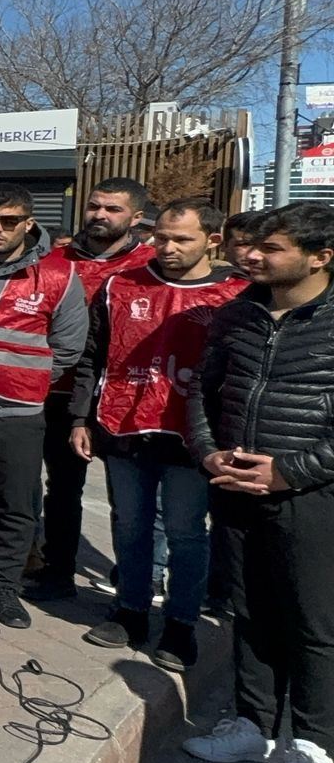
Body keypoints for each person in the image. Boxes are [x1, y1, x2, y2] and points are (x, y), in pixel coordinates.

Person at [180, 202, 334, 763]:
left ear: (320, 256)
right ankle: (253, 725)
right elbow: (203, 388)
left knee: (314, 624)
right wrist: (208, 452)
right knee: (251, 610)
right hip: (238, 486)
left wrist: (290, 472)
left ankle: (316, 748)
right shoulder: (238, 313)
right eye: (254, 247)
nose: (252, 256)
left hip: (312, 495)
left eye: (272, 249)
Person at [69, 201, 244, 672]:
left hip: (195, 437)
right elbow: (93, 356)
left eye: (181, 239)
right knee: (130, 525)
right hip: (123, 427)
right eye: (162, 236)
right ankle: (130, 611)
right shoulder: (120, 285)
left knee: (187, 533)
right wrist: (79, 418)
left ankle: (182, 624)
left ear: (212, 239)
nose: (166, 247)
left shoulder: (238, 295)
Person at [0, 183, 87, 628]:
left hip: (18, 411)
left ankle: (6, 590)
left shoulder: (58, 274)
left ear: (28, 223)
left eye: (8, 221)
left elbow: (68, 347)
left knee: (14, 507)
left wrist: (27, 380)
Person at [33, 178, 157, 600]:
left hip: (126, 397)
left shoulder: (150, 264)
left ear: (136, 218)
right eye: (94, 206)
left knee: (131, 502)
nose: (100, 215)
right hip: (60, 390)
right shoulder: (54, 258)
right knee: (62, 488)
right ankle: (57, 570)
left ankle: (135, 584)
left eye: (113, 209)